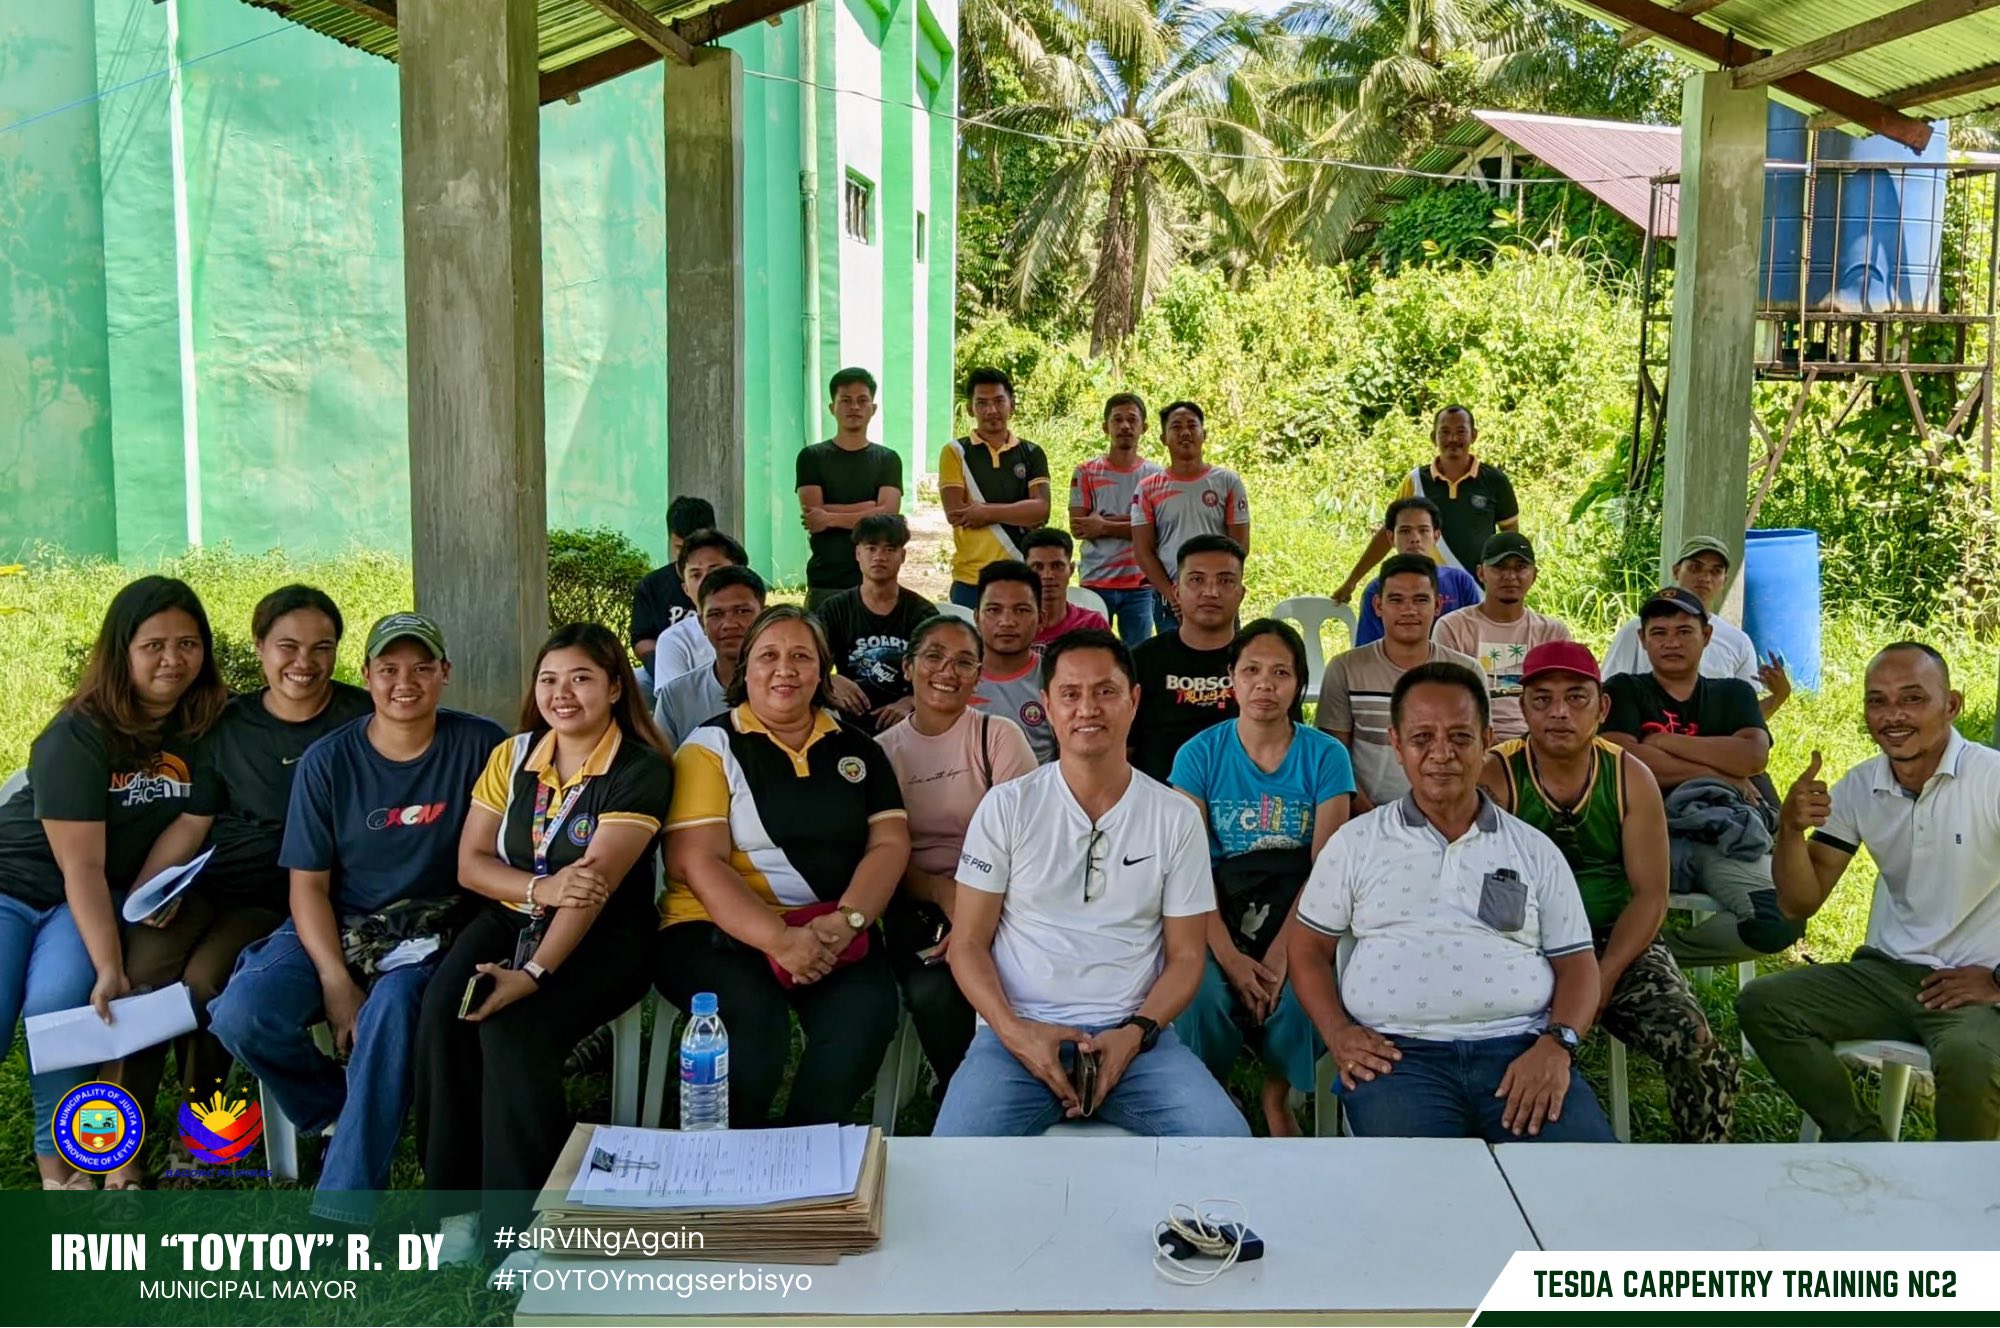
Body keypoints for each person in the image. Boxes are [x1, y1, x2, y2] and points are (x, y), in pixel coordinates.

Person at [209, 613, 505, 1221]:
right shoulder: (328, 761)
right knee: (242, 1013)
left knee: (391, 1010)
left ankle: (342, 1211)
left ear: (445, 673)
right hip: (340, 921)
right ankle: (341, 1110)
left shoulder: (481, 746)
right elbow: (307, 886)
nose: (405, 682)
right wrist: (335, 982)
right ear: (366, 675)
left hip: (436, 928)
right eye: (389, 669)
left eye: (422, 667)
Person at [102, 585, 373, 1189]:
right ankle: (117, 1147)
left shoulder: (360, 719)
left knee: (205, 985)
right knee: (143, 976)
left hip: (285, 897)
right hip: (207, 880)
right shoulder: (229, 723)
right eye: (287, 646)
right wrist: (150, 890)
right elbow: (193, 821)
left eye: (322, 647)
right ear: (258, 647)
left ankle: (199, 1137)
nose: (304, 662)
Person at [417, 623, 674, 1251]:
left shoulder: (639, 768)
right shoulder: (513, 756)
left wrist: (533, 975)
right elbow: (470, 864)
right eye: (549, 679)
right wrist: (541, 889)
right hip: (513, 916)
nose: (562, 694)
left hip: (603, 934)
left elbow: (592, 890)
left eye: (581, 678)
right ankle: (454, 1209)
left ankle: (526, 1224)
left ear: (615, 688)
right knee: (444, 1011)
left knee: (512, 1029)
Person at [933, 631, 1250, 1137]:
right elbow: (967, 943)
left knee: (1225, 1143)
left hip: (1137, 1039)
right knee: (955, 1158)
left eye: (1105, 691)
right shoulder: (1008, 806)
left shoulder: (1174, 816)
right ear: (1047, 706)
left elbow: (1187, 955)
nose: (1088, 709)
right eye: (1070, 694)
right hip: (1017, 1036)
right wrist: (1015, 1033)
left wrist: (1136, 1033)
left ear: (1134, 700)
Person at [1290, 662, 1614, 1143]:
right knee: (1426, 1183)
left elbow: (1578, 964)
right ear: (1396, 745)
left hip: (1521, 1051)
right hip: (1397, 1057)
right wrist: (1338, 1033)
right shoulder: (1355, 844)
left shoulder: (1533, 849)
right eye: (1422, 738)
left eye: (1460, 737)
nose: (1442, 754)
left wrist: (1557, 1045)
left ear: (1487, 741)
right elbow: (1307, 949)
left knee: (1579, 1176)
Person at [0, 576, 228, 1189]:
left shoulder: (205, 726)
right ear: (121, 651)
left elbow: (189, 820)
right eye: (154, 645)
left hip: (84, 900)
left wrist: (149, 894)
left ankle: (59, 1171)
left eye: (187, 644)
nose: (172, 659)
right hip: (15, 885)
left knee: (57, 1008)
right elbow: (80, 865)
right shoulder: (77, 733)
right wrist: (110, 965)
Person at [656, 606, 908, 1127]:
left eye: (801, 657)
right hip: (713, 930)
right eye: (768, 656)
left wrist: (849, 921)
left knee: (863, 1016)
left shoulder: (858, 749)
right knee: (754, 1024)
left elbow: (889, 844)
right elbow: (696, 862)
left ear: (823, 671)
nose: (784, 669)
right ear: (745, 668)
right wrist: (779, 940)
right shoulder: (710, 747)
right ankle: (710, 1160)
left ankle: (799, 1150)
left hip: (831, 926)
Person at [1739, 643, 2000, 1141]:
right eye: (1877, 701)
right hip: (1886, 973)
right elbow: (1798, 902)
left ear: (1952, 705)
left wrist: (1998, 980)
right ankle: (1866, 1147)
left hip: (1972, 986)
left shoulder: (1990, 780)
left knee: (1973, 1058)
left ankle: (1958, 1185)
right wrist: (1789, 830)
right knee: (1763, 1003)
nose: (1893, 715)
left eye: (1912, 698)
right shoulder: (1862, 785)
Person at [1480, 642, 1738, 1142]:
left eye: (1576, 698)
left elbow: (1650, 896)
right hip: (1522, 945)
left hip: (1614, 941)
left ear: (1602, 708)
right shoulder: (1498, 776)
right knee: (1483, 1041)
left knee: (1697, 1047)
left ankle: (1705, 1170)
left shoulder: (1629, 777)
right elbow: (1487, 893)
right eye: (1542, 699)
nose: (1559, 712)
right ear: (1523, 708)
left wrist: (1601, 977)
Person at [1170, 620, 1353, 1136]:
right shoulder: (1198, 755)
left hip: (1301, 908)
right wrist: (1230, 958)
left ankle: (1278, 1093)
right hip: (1215, 908)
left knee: (1304, 996)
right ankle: (1213, 1087)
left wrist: (1282, 954)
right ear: (1231, 677)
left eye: (1280, 673)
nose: (1264, 685)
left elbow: (1325, 869)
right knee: (1200, 995)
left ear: (1299, 683)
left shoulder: (1326, 756)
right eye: (1251, 670)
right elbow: (1188, 870)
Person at [876, 616, 1038, 1089]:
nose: (947, 671)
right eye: (934, 657)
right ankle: (965, 1091)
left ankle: (1033, 1078)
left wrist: (973, 913)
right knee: (936, 990)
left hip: (1006, 897)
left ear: (978, 676)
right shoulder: (881, 753)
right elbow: (882, 853)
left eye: (964, 662)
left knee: (1031, 975)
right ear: (908, 667)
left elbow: (1030, 838)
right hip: (919, 901)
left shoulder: (998, 736)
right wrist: (942, 894)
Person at [1601, 588, 1802, 968]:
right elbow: (1622, 759)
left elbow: (1753, 756)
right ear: (1642, 639)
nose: (1671, 642)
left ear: (1706, 636)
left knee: (1779, 919)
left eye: (1683, 631)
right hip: (1643, 834)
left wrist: (1664, 741)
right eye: (1659, 632)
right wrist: (1719, 772)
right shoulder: (1624, 689)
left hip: (1721, 835)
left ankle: (1651, 956)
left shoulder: (1734, 693)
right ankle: (1624, 952)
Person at [1316, 555, 1479, 812]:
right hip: (1366, 816)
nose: (1409, 610)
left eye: (1420, 600)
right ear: (1378, 605)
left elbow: (1473, 755)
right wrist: (1374, 818)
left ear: (1437, 605)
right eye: (1396, 600)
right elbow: (1334, 758)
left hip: (1446, 815)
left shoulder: (1466, 672)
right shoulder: (1345, 669)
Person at [1333, 405, 1518, 600]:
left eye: (1461, 431)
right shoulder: (1416, 481)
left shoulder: (1494, 481)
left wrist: (1509, 590)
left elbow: (1511, 540)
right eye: (1444, 432)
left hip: (1477, 596)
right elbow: (1388, 533)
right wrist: (1352, 581)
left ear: (1474, 435)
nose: (1453, 439)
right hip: (1424, 594)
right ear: (1433, 437)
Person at [1602, 536, 1791, 720]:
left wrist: (1780, 696)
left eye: (1715, 571)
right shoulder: (1637, 629)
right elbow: (1607, 698)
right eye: (1695, 568)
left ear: (1706, 636)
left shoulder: (1738, 642)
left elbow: (1745, 718)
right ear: (1676, 571)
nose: (1705, 578)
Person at [1433, 532, 1574, 740]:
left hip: (1538, 741)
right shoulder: (1453, 627)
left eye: (1520, 567)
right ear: (1480, 573)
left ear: (1534, 575)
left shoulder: (1553, 633)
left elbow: (1563, 700)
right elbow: (1445, 699)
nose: (1510, 576)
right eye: (1499, 567)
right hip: (1471, 739)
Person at [1130, 535, 1246, 783]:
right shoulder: (1141, 661)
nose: (1211, 592)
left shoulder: (1261, 662)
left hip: (1242, 795)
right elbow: (1122, 749)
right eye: (1196, 580)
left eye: (1225, 581)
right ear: (1176, 592)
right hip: (1159, 796)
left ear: (1241, 593)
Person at [1131, 402, 1251, 635]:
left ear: (1204, 434)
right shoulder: (1147, 488)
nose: (1185, 432)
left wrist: (1218, 586)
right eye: (1176, 427)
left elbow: (1240, 545)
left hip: (1218, 597)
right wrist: (1173, 595)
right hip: (1170, 602)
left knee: (1227, 657)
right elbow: (1143, 551)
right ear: (1163, 438)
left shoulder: (1228, 482)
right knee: (1172, 658)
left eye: (1192, 426)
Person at [940, 368, 1051, 611]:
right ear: (970, 409)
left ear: (1012, 404)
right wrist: (1019, 510)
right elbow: (955, 512)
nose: (991, 410)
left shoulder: (1032, 453)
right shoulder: (955, 452)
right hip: (971, 579)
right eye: (982, 403)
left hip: (1021, 573)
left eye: (999, 401)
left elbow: (1041, 510)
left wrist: (985, 513)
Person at [814, 515, 937, 730]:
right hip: (849, 724)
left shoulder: (923, 613)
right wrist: (829, 680)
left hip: (911, 724)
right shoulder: (835, 609)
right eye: (871, 548)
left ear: (903, 556)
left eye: (889, 549)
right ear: (857, 553)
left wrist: (912, 702)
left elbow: (941, 673)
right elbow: (809, 662)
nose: (879, 557)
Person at [796, 368, 904, 613]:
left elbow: (889, 513)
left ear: (873, 409)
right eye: (846, 400)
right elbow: (813, 516)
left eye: (862, 400)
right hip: (826, 578)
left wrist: (829, 517)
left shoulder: (888, 459)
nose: (854, 407)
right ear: (832, 408)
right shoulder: (811, 457)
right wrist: (870, 508)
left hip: (875, 579)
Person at [1068, 393, 1164, 644]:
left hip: (1141, 583)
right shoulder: (1086, 472)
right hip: (1096, 581)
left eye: (1132, 419)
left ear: (1144, 427)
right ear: (1105, 427)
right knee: (1093, 653)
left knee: (1138, 656)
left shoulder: (1156, 476)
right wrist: (1137, 522)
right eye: (1117, 419)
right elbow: (1078, 527)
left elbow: (1159, 530)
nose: (1125, 426)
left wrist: (1103, 525)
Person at [655, 566, 767, 749]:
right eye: (716, 614)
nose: (729, 624)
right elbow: (660, 762)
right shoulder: (677, 697)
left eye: (742, 611)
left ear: (764, 615)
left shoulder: (788, 688)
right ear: (702, 624)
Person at [1352, 497, 1483, 647]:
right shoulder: (1376, 589)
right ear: (1391, 537)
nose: (1415, 539)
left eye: (1423, 530)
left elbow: (1477, 640)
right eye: (1405, 531)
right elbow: (1369, 650)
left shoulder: (1460, 582)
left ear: (1436, 536)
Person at [970, 561, 1056, 764]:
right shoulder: (954, 679)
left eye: (1022, 610)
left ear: (1041, 619)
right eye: (994, 610)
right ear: (976, 617)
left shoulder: (1056, 679)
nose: (1007, 621)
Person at [649, 529, 752, 687]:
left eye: (715, 571)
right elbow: (677, 700)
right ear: (686, 589)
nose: (706, 581)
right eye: (696, 575)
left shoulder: (771, 630)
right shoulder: (675, 641)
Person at [630, 496, 716, 674]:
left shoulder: (737, 583)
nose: (687, 556)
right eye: (679, 547)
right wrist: (663, 668)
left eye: (697, 547)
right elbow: (642, 640)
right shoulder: (651, 586)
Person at [1022, 528, 1110, 647]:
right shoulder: (1012, 627)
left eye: (1057, 566)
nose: (1047, 575)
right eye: (1038, 567)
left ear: (1071, 569)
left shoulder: (1092, 625)